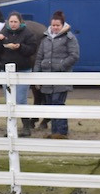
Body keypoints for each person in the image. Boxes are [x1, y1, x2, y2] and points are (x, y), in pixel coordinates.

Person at [33, 10, 80, 139]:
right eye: (53, 25)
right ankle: (54, 132)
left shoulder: (69, 38)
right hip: (47, 79)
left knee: (58, 103)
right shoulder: (45, 39)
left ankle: (62, 131)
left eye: (57, 25)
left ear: (62, 25)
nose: (55, 28)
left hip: (61, 78)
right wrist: (36, 75)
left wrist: (61, 66)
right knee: (49, 105)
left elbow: (74, 55)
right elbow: (39, 57)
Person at [0, 11, 38, 136]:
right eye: (11, 22)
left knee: (21, 100)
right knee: (9, 101)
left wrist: (19, 47)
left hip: (23, 70)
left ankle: (26, 127)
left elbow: (32, 49)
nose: (13, 24)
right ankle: (11, 128)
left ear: (20, 22)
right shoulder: (3, 33)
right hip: (6, 71)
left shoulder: (28, 33)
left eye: (15, 22)